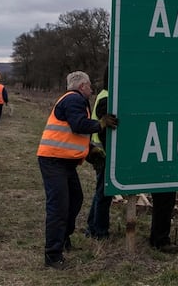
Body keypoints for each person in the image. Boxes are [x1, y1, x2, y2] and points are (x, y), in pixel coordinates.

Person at [37, 71, 118, 269]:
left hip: (63, 162)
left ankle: (64, 239)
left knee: (75, 199)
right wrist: (101, 124)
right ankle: (53, 255)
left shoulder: (73, 101)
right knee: (59, 207)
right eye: (90, 86)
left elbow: (72, 135)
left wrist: (90, 151)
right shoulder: (74, 99)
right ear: (82, 86)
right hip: (54, 161)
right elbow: (78, 125)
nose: (92, 90)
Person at [85, 78, 112, 240]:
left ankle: (93, 227)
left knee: (101, 192)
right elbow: (104, 132)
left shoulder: (105, 94)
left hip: (100, 153)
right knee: (104, 193)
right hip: (102, 154)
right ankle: (99, 231)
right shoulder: (107, 97)